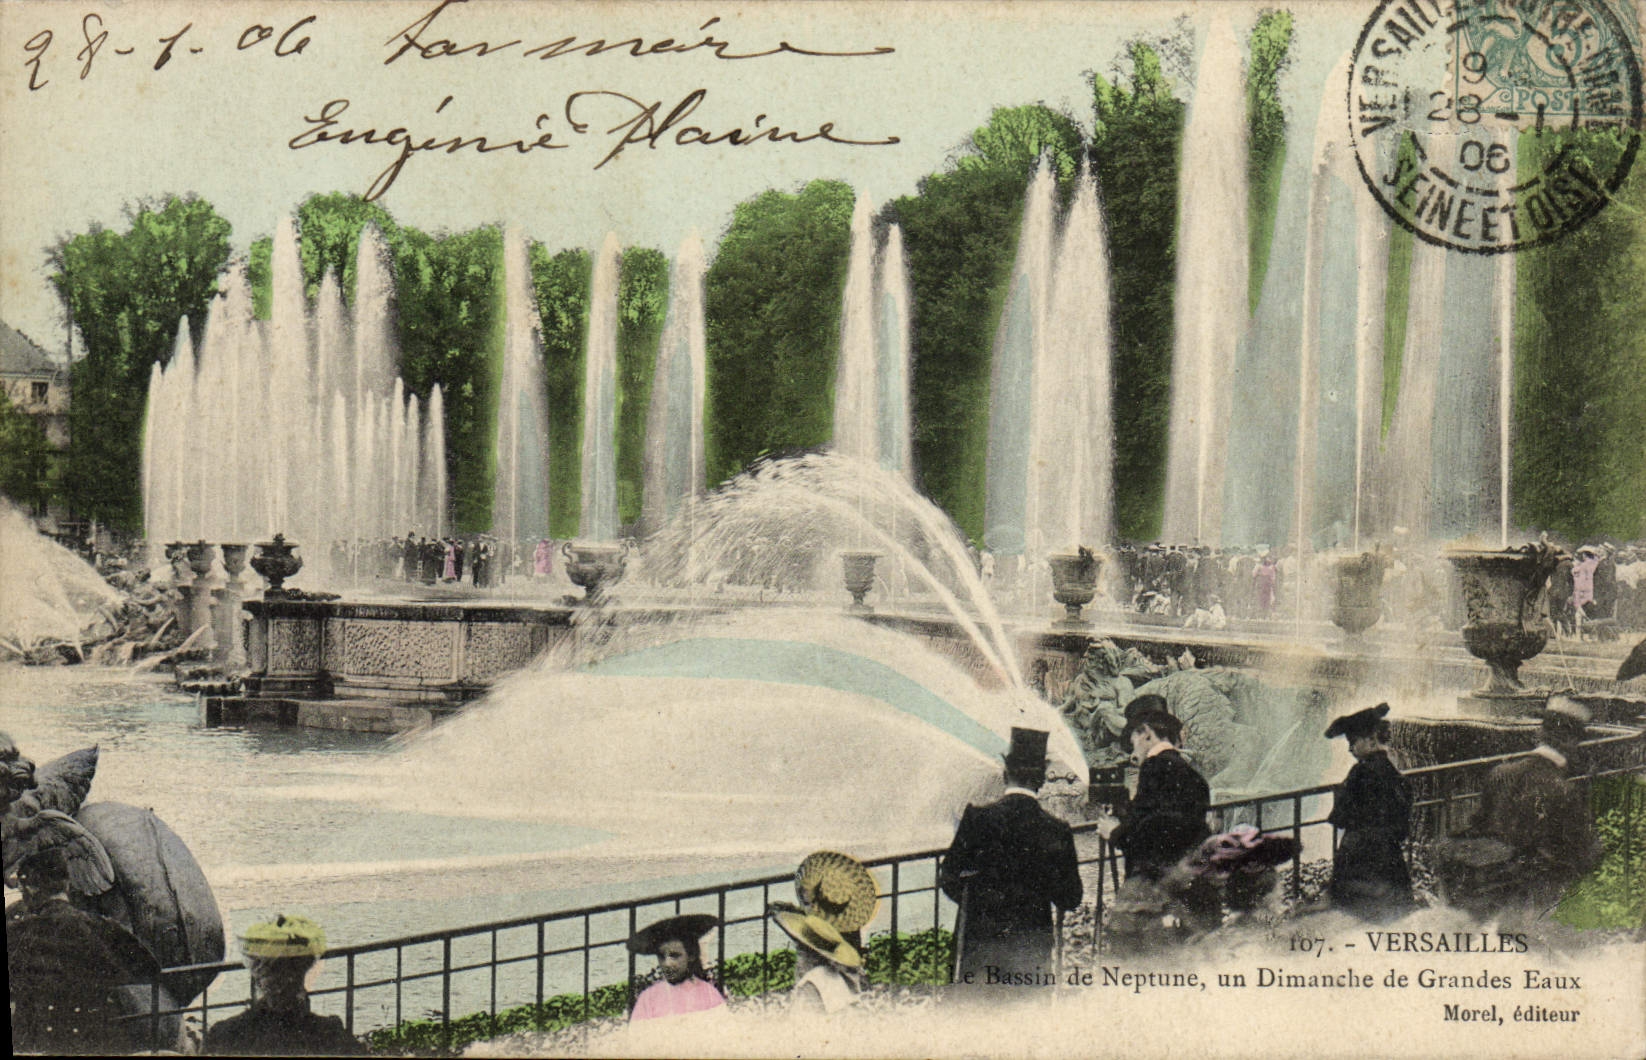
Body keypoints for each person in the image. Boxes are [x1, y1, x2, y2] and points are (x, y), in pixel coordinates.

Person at [1438, 697, 1604, 922]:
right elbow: (1581, 849)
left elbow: (1478, 824)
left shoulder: (1500, 773)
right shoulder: (1563, 789)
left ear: (1540, 734)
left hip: (1487, 883)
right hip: (1532, 894)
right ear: (1571, 742)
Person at [939, 727, 1082, 985]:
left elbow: (948, 877)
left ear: (1006, 774)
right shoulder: (1057, 829)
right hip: (1031, 951)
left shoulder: (977, 818)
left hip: (979, 947)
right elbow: (1071, 897)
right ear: (1042, 779)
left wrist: (979, 905)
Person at [7, 847, 161, 1055]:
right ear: (67, 885)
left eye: (22, 889)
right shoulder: (102, 927)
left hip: (34, 1041)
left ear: (32, 888)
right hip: (93, 1040)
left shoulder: (17, 933)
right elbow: (150, 969)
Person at [202, 915, 367, 1056]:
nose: (282, 981)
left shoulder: (226, 1034)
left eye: (290, 971)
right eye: (275, 970)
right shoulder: (328, 1033)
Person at [1324, 703, 1415, 919]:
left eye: (1353, 742)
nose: (1350, 749)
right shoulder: (1392, 771)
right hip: (1389, 854)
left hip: (1360, 853)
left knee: (1355, 914)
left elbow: (1341, 815)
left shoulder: (1360, 771)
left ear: (1370, 740)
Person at [1098, 709, 1210, 881]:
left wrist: (1113, 833)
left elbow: (1151, 832)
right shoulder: (1194, 775)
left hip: (1156, 883)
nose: (1133, 751)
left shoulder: (1154, 765)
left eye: (1134, 742)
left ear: (1147, 734)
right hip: (1189, 876)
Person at [625, 914, 726, 1021]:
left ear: (691, 955)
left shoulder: (709, 995)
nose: (667, 964)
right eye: (661, 956)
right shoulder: (649, 999)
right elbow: (637, 1035)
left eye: (675, 956)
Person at [770, 908, 862, 1015]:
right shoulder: (836, 976)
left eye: (799, 952)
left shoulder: (812, 982)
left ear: (807, 954)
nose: (797, 963)